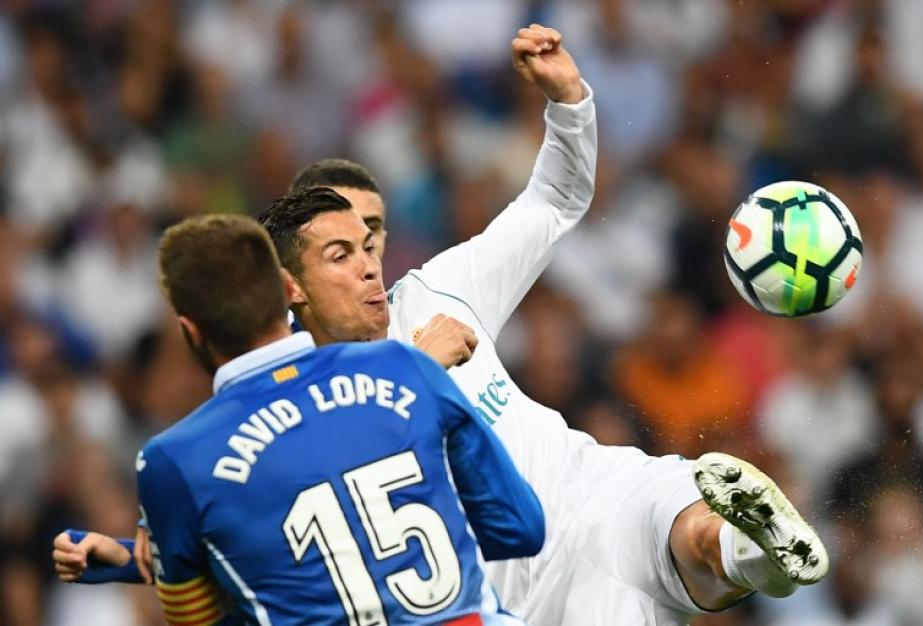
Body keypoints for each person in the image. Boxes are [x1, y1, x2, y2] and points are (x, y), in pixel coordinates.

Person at [54, 25, 827, 625]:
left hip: (598, 495)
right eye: (342, 253)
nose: (369, 267)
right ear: (290, 286)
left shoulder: (436, 293)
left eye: (372, 244)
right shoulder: (301, 412)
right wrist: (128, 558)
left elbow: (551, 203)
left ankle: (760, 555)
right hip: (520, 597)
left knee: (695, 529)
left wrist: (568, 102)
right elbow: (255, 544)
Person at [61, 207, 545, 625]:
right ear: (286, 288)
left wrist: (148, 562)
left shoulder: (173, 461)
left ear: (190, 328)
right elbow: (518, 527)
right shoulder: (408, 364)